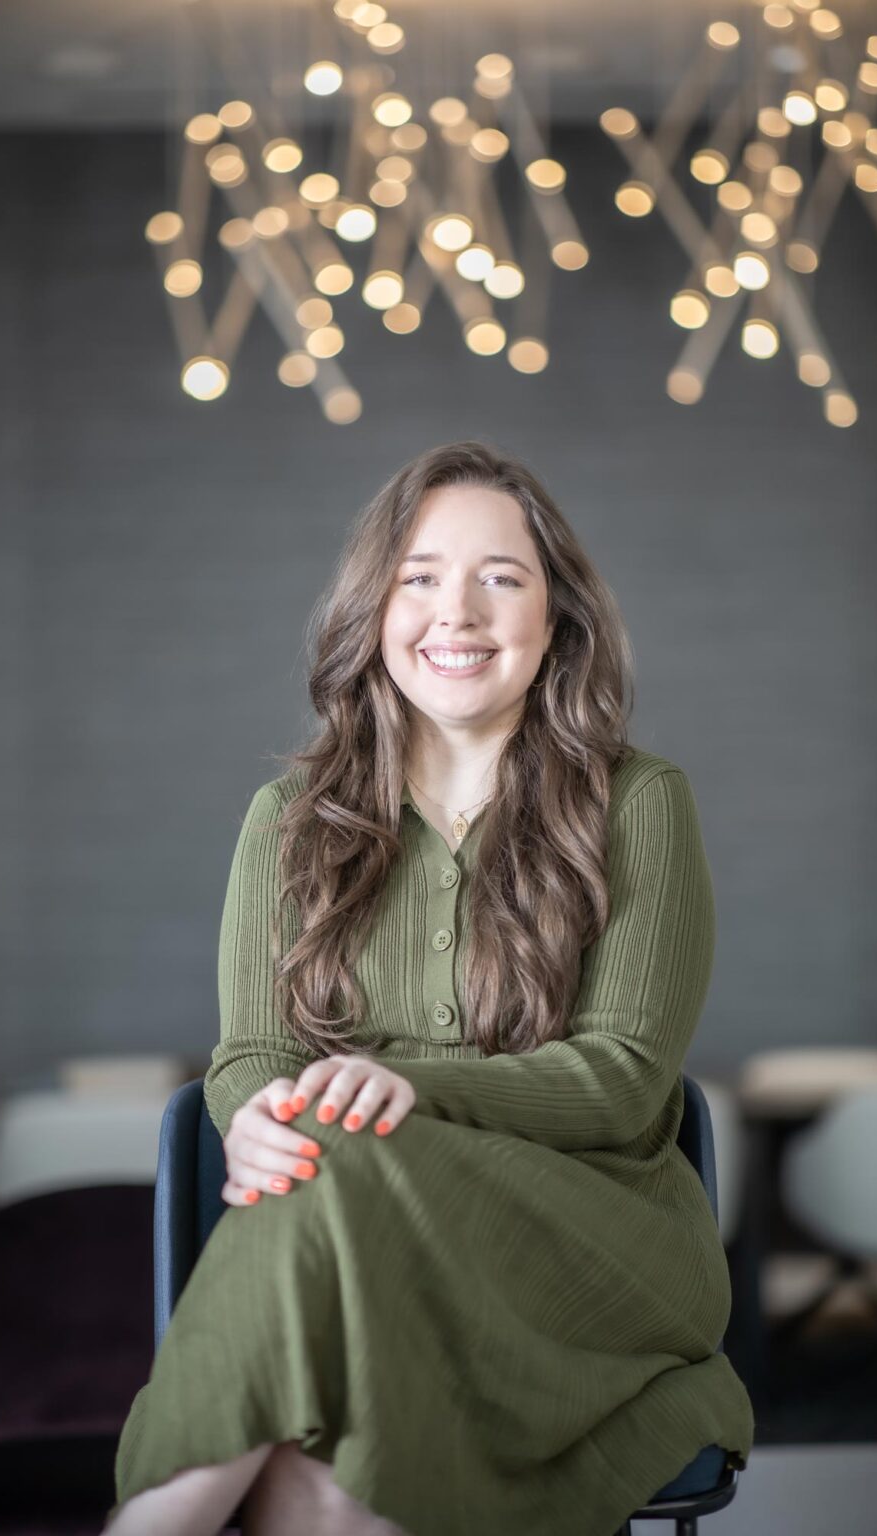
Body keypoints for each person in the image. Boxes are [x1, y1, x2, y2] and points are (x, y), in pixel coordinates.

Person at [105, 439, 755, 1536]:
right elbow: (253, 1056)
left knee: (338, 1146)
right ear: (375, 608)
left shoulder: (642, 801)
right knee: (320, 1443)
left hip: (585, 1244)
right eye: (418, 577)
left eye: (500, 578)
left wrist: (391, 1089)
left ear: (558, 618)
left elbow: (623, 1081)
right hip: (351, 1228)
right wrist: (255, 1113)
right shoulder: (287, 822)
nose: (455, 613)